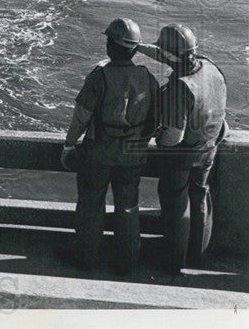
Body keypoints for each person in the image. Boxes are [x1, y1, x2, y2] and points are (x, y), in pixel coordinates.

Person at [58, 18, 160, 274]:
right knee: (128, 206)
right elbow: (155, 121)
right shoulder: (147, 78)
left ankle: (86, 257)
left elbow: (81, 116)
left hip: (98, 154)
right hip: (132, 155)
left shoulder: (99, 77)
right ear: (135, 49)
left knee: (91, 204)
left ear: (110, 46)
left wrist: (69, 146)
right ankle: (127, 261)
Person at [137, 24, 227, 275]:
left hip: (184, 154)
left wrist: (157, 138)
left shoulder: (181, 87)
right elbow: (169, 55)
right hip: (209, 147)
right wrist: (140, 47)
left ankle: (173, 262)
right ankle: (197, 256)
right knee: (199, 196)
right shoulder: (209, 65)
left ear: (169, 55)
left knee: (176, 203)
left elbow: (172, 137)